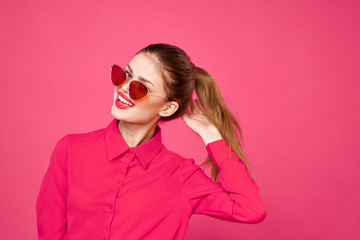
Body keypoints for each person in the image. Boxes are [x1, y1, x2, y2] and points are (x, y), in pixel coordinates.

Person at [36, 43, 267, 240]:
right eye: (124, 74)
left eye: (141, 87)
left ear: (167, 108)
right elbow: (50, 233)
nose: (124, 87)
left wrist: (211, 136)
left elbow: (250, 209)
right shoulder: (70, 150)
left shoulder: (181, 175)